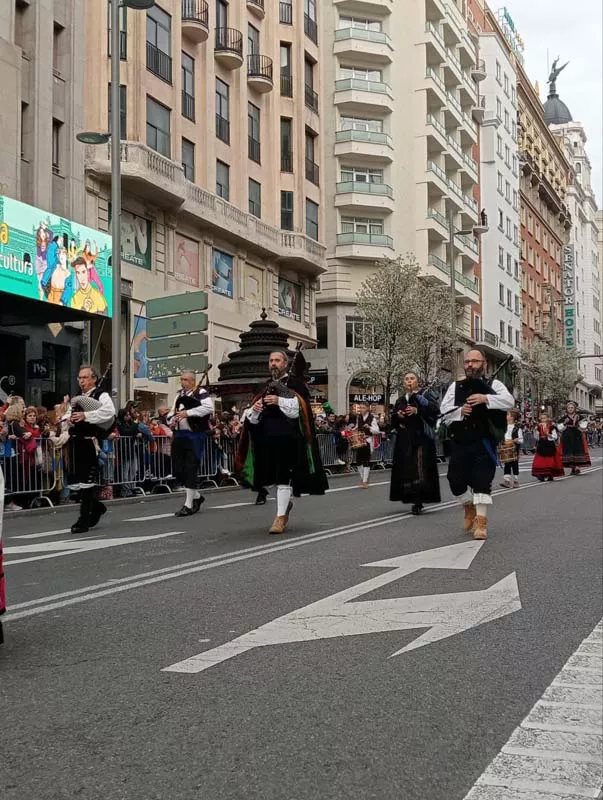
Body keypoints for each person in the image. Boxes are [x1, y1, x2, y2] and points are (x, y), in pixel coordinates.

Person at [236, 350, 328, 534]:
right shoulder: (264, 387)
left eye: (277, 360)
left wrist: (279, 401)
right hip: (265, 439)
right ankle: (284, 506)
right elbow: (251, 420)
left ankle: (279, 518)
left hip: (287, 438)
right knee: (268, 479)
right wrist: (254, 409)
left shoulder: (296, 385)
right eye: (271, 360)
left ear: (285, 363)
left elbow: (298, 412)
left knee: (283, 477)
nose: (273, 364)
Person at [440, 350, 514, 540]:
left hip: (483, 442)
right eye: (468, 361)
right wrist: (459, 411)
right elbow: (444, 410)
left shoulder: (494, 384)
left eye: (475, 361)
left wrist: (485, 398)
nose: (471, 364)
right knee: (455, 480)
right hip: (460, 441)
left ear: (484, 364)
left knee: (482, 481)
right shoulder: (455, 386)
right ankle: (468, 507)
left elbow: (508, 402)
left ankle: (481, 524)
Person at [68, 365, 116, 534]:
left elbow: (109, 413)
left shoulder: (101, 395)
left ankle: (84, 520)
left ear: (94, 379)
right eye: (80, 378)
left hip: (89, 443)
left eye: (85, 378)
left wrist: (86, 415)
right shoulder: (77, 397)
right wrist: (67, 420)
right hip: (75, 442)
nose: (82, 381)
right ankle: (96, 507)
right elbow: (69, 414)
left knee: (86, 482)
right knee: (78, 481)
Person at [389, 372, 441, 515]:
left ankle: (419, 500)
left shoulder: (425, 396)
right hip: (405, 439)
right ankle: (409, 496)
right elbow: (393, 420)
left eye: (412, 378)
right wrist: (398, 416)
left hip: (421, 439)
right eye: (406, 379)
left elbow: (435, 411)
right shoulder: (400, 400)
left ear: (417, 381)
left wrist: (417, 410)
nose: (409, 381)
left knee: (419, 468)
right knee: (407, 468)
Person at [167, 371, 214, 517]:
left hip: (194, 435)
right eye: (181, 379)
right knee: (178, 469)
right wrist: (171, 419)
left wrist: (188, 413)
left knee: (190, 468)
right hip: (180, 435)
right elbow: (171, 412)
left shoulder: (201, 392)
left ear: (193, 381)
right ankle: (197, 497)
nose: (183, 382)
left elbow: (208, 408)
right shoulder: (179, 395)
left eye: (185, 379)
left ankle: (188, 504)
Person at [349, 402, 380, 488]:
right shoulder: (359, 417)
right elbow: (357, 427)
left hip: (368, 441)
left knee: (366, 461)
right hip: (359, 440)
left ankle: (365, 481)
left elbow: (377, 431)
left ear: (367, 408)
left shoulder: (372, 418)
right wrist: (351, 430)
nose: (361, 409)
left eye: (363, 408)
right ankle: (363, 479)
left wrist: (369, 427)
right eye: (360, 408)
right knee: (358, 462)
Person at [559, 401, 591, 475]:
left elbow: (584, 426)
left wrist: (578, 425)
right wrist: (564, 423)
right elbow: (559, 428)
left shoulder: (579, 417)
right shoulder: (564, 417)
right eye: (569, 407)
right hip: (567, 436)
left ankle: (577, 467)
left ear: (575, 408)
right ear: (567, 409)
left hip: (577, 435)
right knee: (569, 451)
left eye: (572, 407)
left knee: (577, 450)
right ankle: (573, 468)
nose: (570, 409)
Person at [531, 412, 564, 482]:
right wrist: (535, 431)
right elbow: (536, 437)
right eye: (542, 418)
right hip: (542, 444)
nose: (543, 419)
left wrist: (548, 435)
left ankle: (550, 474)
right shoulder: (539, 427)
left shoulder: (551, 427)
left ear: (548, 418)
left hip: (549, 444)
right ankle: (541, 474)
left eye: (544, 418)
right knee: (540, 460)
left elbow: (555, 437)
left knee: (550, 460)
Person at [499, 410, 523, 489]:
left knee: (514, 464)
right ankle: (507, 481)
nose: (506, 416)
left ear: (512, 417)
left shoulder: (517, 428)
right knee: (507, 464)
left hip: (513, 447)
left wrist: (517, 440)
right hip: (505, 446)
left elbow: (521, 439)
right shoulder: (503, 426)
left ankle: (516, 480)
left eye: (508, 415)